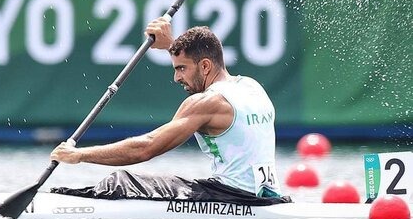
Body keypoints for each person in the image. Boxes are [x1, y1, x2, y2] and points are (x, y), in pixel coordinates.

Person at [50, 17, 289, 205]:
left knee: (121, 182)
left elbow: (145, 149)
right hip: (267, 197)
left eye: (181, 69)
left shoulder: (206, 103)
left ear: (205, 66)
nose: (176, 77)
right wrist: (171, 45)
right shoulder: (252, 87)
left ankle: (59, 201)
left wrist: (79, 155)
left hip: (231, 197)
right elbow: (196, 59)